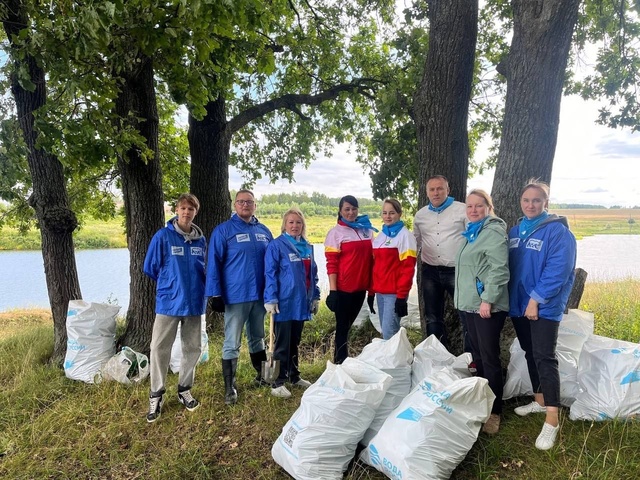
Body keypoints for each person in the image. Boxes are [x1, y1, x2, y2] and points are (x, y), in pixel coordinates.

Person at [508, 180, 577, 450]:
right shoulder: (516, 231)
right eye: (526, 200)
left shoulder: (558, 232)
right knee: (529, 351)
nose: (531, 205)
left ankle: (552, 419)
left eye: (536, 200)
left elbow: (558, 270)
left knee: (545, 356)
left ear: (545, 203)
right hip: (518, 304)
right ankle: (539, 401)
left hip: (543, 306)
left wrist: (536, 300)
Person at [205, 189, 273, 405]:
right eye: (241, 201)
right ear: (235, 205)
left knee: (257, 337)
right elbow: (213, 263)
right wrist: (215, 293)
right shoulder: (223, 231)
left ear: (255, 205)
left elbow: (273, 264)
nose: (245, 205)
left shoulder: (264, 231)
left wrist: (274, 291)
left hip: (260, 296)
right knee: (232, 341)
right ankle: (230, 388)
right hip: (236, 296)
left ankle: (263, 377)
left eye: (250, 202)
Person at [143, 193, 206, 423]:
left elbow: (203, 270)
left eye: (191, 208)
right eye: (183, 208)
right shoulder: (163, 236)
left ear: (195, 212)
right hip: (169, 302)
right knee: (159, 347)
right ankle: (156, 394)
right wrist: (171, 283)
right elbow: (150, 267)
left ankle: (184, 389)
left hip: (194, 302)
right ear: (176, 211)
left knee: (192, 347)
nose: (186, 212)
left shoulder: (201, 240)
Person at [454, 189, 509, 435]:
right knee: (477, 355)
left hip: (486, 307)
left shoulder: (493, 232)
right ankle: (482, 401)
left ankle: (495, 411)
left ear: (489, 207)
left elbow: (500, 270)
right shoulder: (473, 233)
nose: (473, 210)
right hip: (470, 305)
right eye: (470, 206)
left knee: (489, 357)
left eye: (479, 206)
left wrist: (487, 300)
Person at [264, 207, 320, 398]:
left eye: (298, 222)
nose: (295, 226)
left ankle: (294, 376)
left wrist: (315, 296)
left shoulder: (307, 246)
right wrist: (270, 298)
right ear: (284, 225)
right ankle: (277, 381)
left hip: (301, 302)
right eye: (291, 222)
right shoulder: (277, 246)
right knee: (281, 343)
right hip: (284, 302)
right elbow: (269, 273)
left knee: (295, 341)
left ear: (303, 225)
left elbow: (313, 275)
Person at [413, 175, 470, 351]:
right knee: (432, 316)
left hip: (457, 271)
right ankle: (435, 356)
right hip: (430, 271)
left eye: (440, 188)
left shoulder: (462, 210)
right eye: (432, 189)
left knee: (466, 314)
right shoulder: (421, 215)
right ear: (427, 192)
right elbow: (416, 242)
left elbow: (473, 239)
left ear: (448, 190)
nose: (436, 193)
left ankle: (471, 357)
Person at [324, 195, 376, 364]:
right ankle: (340, 363)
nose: (351, 212)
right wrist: (333, 291)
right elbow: (331, 264)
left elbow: (373, 259)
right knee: (342, 328)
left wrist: (372, 289)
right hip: (343, 289)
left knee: (347, 327)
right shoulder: (335, 233)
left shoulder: (365, 230)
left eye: (354, 208)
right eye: (347, 209)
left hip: (361, 288)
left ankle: (342, 362)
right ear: (340, 211)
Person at [371, 198, 417, 340]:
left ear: (399, 214)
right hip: (380, 291)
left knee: (389, 335)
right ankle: (390, 360)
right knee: (385, 333)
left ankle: (395, 362)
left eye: (392, 213)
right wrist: (371, 291)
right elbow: (376, 266)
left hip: (394, 293)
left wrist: (402, 296)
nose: (387, 216)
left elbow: (408, 268)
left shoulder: (405, 236)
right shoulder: (382, 235)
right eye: (384, 213)